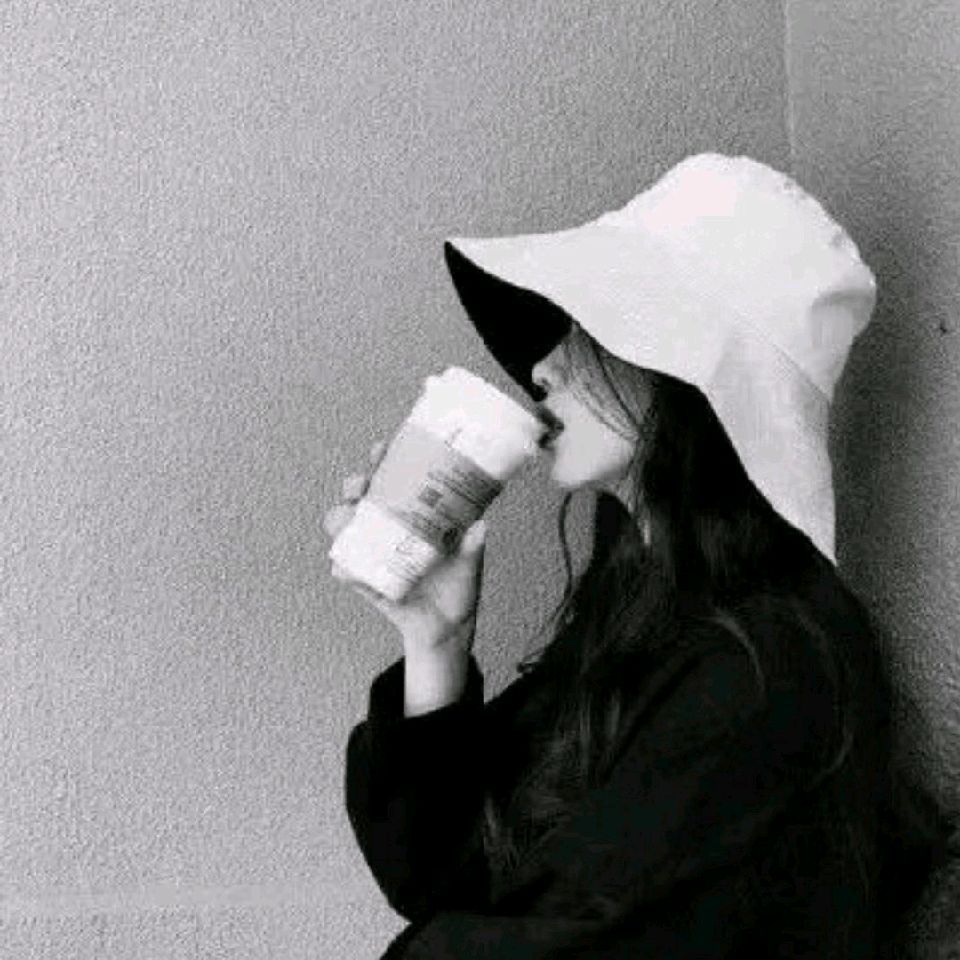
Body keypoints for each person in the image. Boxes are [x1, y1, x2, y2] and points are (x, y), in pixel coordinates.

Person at [323, 154, 947, 958]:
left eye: (590, 325)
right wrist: (435, 640)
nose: (542, 367)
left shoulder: (769, 662)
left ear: (686, 372)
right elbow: (441, 877)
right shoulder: (642, 614)